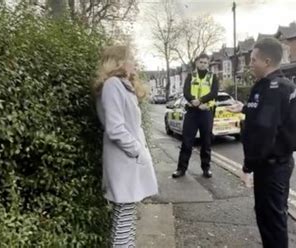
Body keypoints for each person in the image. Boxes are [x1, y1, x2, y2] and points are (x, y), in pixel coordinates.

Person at [226, 38, 296, 248]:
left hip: (271, 166)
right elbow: (272, 115)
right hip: (281, 162)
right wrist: (245, 107)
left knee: (270, 221)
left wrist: (248, 166)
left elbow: (264, 131)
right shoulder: (284, 85)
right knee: (275, 216)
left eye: (253, 60)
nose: (250, 64)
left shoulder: (270, 89)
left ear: (267, 61)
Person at [94, 45, 158, 248]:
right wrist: (137, 151)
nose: (135, 63)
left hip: (127, 161)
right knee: (124, 218)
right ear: (120, 62)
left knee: (126, 219)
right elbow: (115, 129)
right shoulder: (113, 85)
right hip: (124, 161)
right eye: (131, 58)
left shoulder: (120, 85)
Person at [172, 54, 219, 179]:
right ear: (196, 63)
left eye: (205, 62)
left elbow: (214, 93)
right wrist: (193, 100)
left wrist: (202, 100)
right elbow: (186, 91)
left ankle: (206, 168)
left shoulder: (213, 77)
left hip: (205, 112)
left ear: (208, 64)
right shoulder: (190, 76)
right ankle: (181, 169)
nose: (203, 64)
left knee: (206, 142)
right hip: (192, 112)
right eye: (200, 62)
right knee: (187, 142)